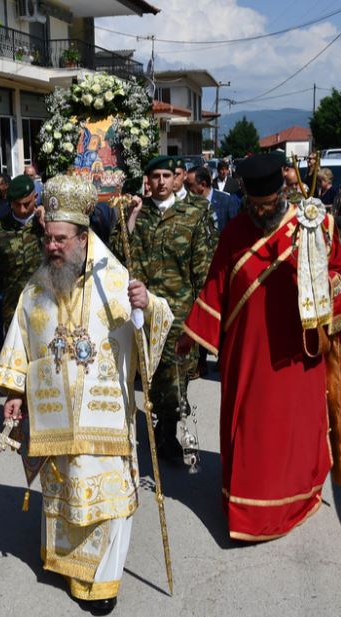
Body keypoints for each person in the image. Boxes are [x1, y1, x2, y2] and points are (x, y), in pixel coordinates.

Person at [0, 175, 172, 615]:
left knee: (106, 502)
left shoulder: (117, 279)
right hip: (55, 419)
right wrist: (15, 391)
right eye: (48, 238)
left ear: (83, 236)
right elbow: (22, 338)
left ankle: (103, 582)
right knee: (64, 492)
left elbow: (153, 322)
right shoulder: (37, 286)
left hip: (104, 421)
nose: (52, 247)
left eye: (61, 240)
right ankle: (68, 565)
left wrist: (147, 305)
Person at [177, 152, 341, 542]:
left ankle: (294, 500)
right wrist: (192, 334)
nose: (261, 212)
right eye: (254, 206)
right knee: (250, 430)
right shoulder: (236, 232)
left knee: (293, 431)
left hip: (298, 354)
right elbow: (216, 286)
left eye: (269, 205)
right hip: (246, 354)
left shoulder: (317, 225)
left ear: (283, 192)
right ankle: (245, 505)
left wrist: (326, 291)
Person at [111, 156, 212, 461]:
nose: (161, 182)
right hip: (141, 311)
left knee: (175, 378)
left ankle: (168, 434)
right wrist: (129, 216)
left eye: (167, 175)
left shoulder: (194, 213)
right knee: (147, 376)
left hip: (178, 313)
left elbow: (202, 269)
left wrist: (198, 320)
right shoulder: (138, 213)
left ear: (176, 178)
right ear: (147, 180)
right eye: (155, 176)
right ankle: (152, 428)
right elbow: (118, 253)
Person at [0, 175, 44, 400]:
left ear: (35, 197)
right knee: (17, 367)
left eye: (28, 203)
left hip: (49, 307)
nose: (23, 209)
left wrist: (47, 227)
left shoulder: (48, 224)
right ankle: (16, 419)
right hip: (14, 311)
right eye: (17, 204)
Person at [186, 164, 240, 234]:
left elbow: (235, 231)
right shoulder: (188, 203)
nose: (187, 189)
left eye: (190, 185)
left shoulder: (227, 201)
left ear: (203, 185)